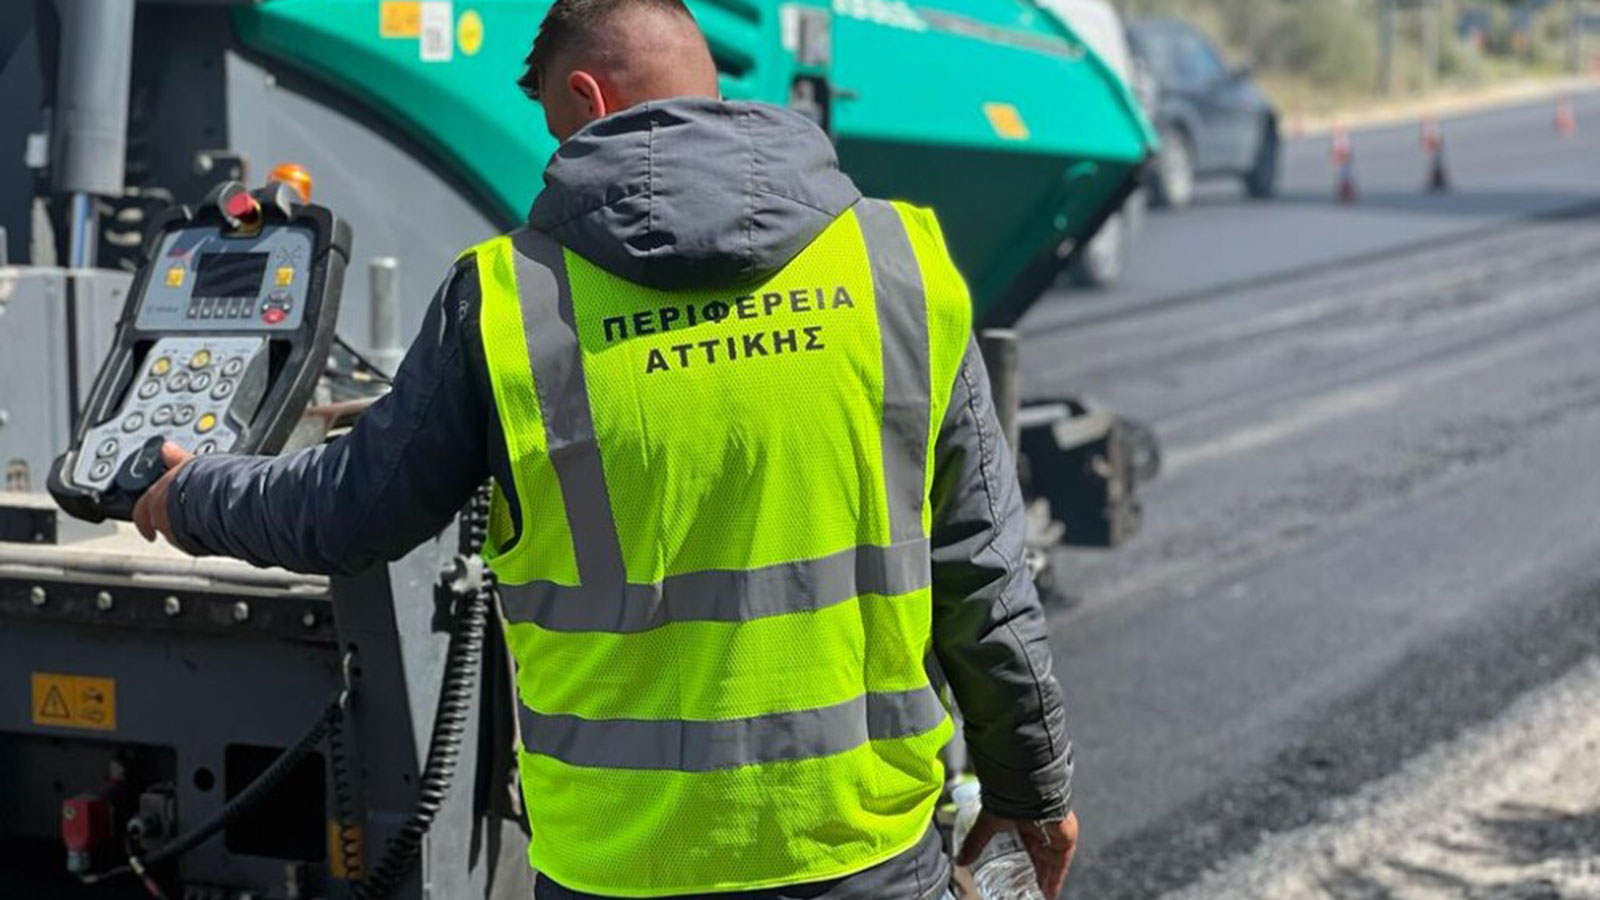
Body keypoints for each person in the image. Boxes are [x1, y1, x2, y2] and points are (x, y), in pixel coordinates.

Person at [132, 0, 1077, 896]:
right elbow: (983, 574)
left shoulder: (507, 301)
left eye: (556, 131)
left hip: (620, 866)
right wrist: (1032, 788)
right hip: (863, 851)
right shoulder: (896, 263)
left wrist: (194, 495)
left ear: (588, 98)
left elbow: (348, 511)